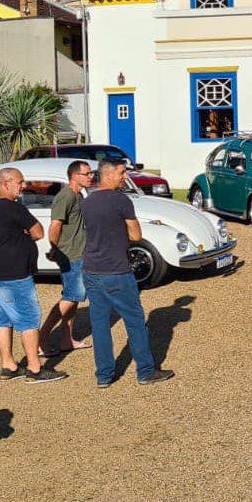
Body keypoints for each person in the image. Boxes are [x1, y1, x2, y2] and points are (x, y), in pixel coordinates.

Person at [82, 159, 173, 387]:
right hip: (117, 270)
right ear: (108, 175)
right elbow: (135, 235)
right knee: (135, 321)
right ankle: (145, 371)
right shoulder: (121, 200)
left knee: (100, 325)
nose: (125, 177)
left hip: (92, 269)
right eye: (122, 173)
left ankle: (104, 375)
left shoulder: (87, 201)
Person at [0, 167, 66, 383]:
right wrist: (27, 233)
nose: (24, 186)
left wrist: (22, 233)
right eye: (20, 182)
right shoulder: (13, 207)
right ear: (6, 183)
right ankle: (35, 368)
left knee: (5, 319)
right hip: (16, 274)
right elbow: (38, 231)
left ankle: (8, 365)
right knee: (29, 319)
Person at [37, 159, 92, 355]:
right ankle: (41, 338)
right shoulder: (65, 196)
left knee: (74, 298)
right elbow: (55, 225)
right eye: (87, 173)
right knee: (70, 297)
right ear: (75, 176)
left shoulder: (79, 195)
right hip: (70, 255)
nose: (91, 176)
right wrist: (54, 249)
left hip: (79, 253)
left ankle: (66, 340)